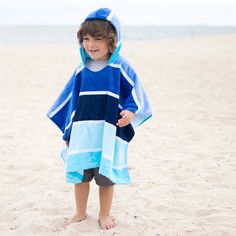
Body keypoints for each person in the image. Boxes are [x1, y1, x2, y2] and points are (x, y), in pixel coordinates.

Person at [47, 8, 152, 230]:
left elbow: (135, 93)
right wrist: (68, 132)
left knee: (105, 177)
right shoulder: (81, 70)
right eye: (86, 39)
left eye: (98, 38)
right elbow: (71, 102)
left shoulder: (120, 66)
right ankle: (80, 211)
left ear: (112, 40)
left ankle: (104, 214)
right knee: (80, 176)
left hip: (107, 132)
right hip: (83, 133)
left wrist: (130, 111)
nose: (90, 44)